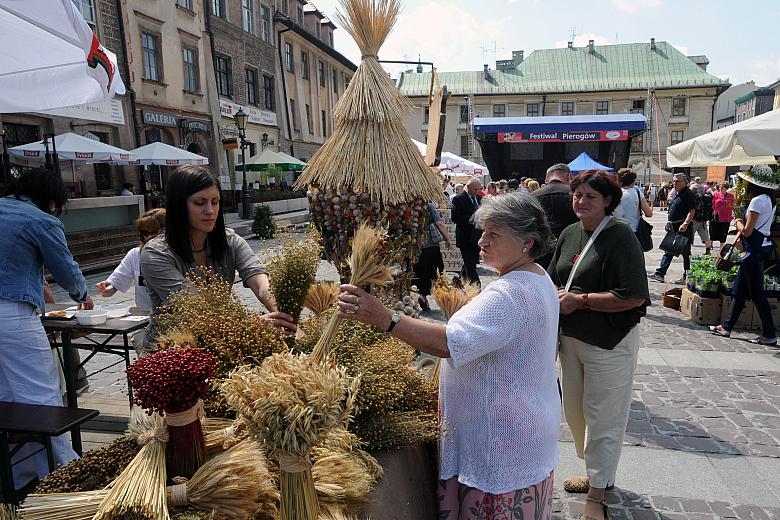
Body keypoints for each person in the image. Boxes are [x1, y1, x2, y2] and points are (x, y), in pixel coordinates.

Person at [337, 193, 560, 520]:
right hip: (523, 426)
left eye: (493, 234)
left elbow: (450, 342)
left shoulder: (510, 293)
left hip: (500, 439)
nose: (481, 241)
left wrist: (385, 317)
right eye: (483, 231)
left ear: (526, 242)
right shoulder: (536, 276)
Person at [547, 170, 650, 520]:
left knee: (604, 415)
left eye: (590, 196)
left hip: (609, 341)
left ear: (608, 200)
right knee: (575, 412)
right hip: (571, 339)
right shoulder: (569, 233)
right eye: (577, 194)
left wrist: (583, 300)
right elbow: (553, 277)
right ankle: (597, 473)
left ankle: (597, 495)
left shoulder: (620, 236)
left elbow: (633, 296)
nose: (581, 201)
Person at [0, 167, 95, 489]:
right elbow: (66, 269)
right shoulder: (40, 219)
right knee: (41, 397)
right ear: (51, 198)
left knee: (6, 399)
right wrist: (83, 295)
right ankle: (63, 474)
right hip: (12, 316)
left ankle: (18, 473)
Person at [140, 165, 295, 348]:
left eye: (215, 202)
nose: (210, 211)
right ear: (179, 206)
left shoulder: (230, 241)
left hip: (224, 344)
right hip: (171, 353)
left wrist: (283, 317)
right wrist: (253, 326)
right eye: (200, 203)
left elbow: (260, 281)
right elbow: (196, 309)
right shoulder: (155, 254)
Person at [711, 166, 779, 346]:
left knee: (757, 294)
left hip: (752, 251)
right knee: (740, 291)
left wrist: (738, 221)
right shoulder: (770, 200)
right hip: (758, 248)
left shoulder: (757, 201)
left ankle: (769, 334)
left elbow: (747, 231)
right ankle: (727, 327)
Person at [649, 174, 697, 284]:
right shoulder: (678, 193)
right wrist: (669, 222)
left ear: (685, 182)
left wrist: (685, 223)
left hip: (682, 229)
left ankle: (686, 276)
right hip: (674, 227)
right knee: (669, 250)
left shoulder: (687, 194)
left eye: (677, 181)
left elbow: (692, 211)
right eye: (674, 181)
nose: (674, 183)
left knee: (685, 253)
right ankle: (660, 273)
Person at [534, 163, 579, 268]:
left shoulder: (532, 197)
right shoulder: (577, 196)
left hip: (540, 254)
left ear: (546, 179)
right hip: (570, 253)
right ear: (569, 177)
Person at [413, 202, 452, 311]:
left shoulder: (409, 204)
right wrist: (448, 238)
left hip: (413, 245)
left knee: (419, 272)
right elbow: (439, 223)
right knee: (436, 272)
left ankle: (422, 296)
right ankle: (444, 299)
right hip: (430, 245)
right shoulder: (429, 206)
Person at [451, 177, 483, 286]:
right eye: (475, 189)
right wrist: (473, 218)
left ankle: (458, 282)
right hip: (465, 238)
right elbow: (455, 218)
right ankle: (476, 286)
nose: (477, 191)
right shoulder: (458, 199)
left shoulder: (479, 198)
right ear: (468, 187)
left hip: (476, 238)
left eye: (479, 189)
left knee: (471, 262)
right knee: (470, 265)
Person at [613, 168, 653, 237]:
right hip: (634, 232)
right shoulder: (637, 193)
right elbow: (649, 213)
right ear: (633, 180)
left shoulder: (614, 193)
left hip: (616, 231)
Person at [710, 181, 734, 248]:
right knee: (713, 231)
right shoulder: (716, 194)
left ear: (726, 188)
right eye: (720, 187)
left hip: (726, 217)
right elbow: (713, 204)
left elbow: (732, 205)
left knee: (723, 232)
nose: (720, 189)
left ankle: (721, 247)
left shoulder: (730, 196)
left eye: (722, 187)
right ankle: (710, 244)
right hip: (717, 215)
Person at [691, 183, 714, 254]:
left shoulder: (693, 198)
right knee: (705, 236)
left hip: (694, 220)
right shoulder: (704, 198)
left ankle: (688, 252)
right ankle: (708, 251)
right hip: (703, 220)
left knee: (689, 236)